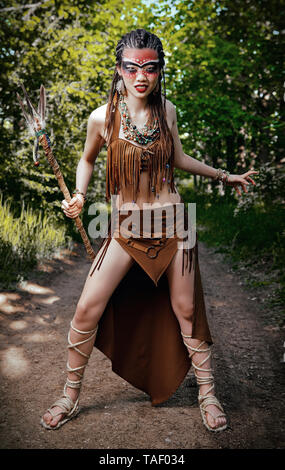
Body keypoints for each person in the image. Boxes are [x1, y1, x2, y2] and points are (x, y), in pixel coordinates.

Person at [41, 29, 258, 433]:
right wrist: (80, 194)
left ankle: (208, 393)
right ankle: (69, 396)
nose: (141, 75)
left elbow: (177, 156)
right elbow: (86, 160)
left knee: (187, 311)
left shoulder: (167, 111)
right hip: (125, 227)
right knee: (88, 306)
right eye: (132, 66)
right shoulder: (102, 117)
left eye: (150, 67)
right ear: (119, 69)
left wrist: (223, 175)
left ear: (159, 70)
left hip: (173, 224)